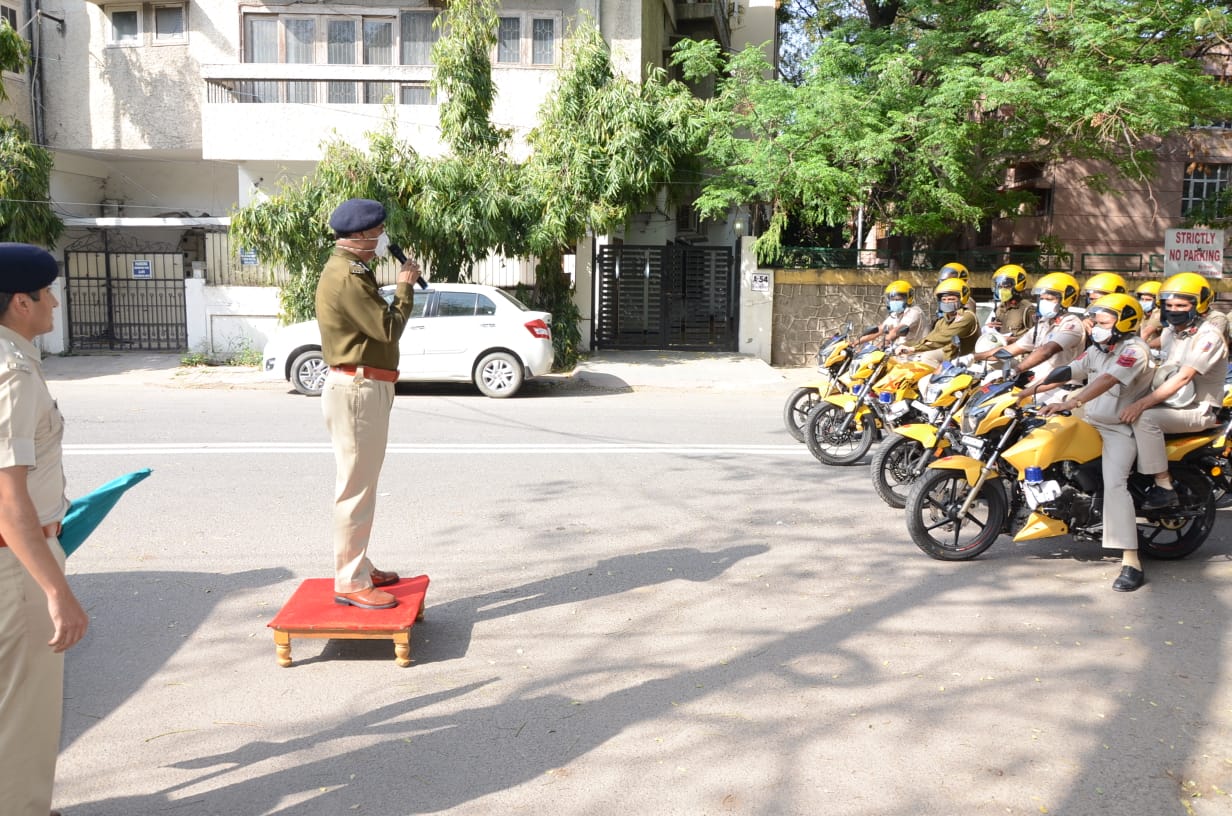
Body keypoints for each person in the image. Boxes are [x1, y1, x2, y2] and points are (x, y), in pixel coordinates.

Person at [0, 243, 89, 816]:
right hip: (17, 561)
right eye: (46, 292)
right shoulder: (12, 373)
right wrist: (59, 592)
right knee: (23, 713)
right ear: (19, 302)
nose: (54, 301)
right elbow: (8, 501)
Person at [317, 198, 422, 610]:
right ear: (360, 236)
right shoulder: (347, 277)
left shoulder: (352, 269)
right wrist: (404, 287)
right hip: (358, 390)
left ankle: (358, 563)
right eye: (377, 231)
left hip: (361, 387)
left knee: (361, 484)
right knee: (355, 491)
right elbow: (386, 328)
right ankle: (350, 580)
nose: (382, 237)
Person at [1038, 294, 1154, 591]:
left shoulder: (1134, 350)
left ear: (1123, 321)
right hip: (1090, 420)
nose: (1097, 328)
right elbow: (1071, 370)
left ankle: (1131, 561)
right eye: (1096, 322)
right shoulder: (1100, 348)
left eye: (1104, 322)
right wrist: (1032, 388)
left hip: (1119, 429)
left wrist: (1072, 400)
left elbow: (1107, 380)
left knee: (1115, 484)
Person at [1120, 273, 1228, 513]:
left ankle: (1164, 485)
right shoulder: (1170, 333)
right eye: (1168, 305)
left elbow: (1184, 376)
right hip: (1173, 404)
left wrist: (1141, 405)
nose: (1173, 310)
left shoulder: (1208, 336)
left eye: (1181, 305)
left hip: (1199, 409)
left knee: (1144, 418)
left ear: (1198, 305)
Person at [964, 272, 1085, 400]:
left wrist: (1016, 370)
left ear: (1066, 299)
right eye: (1042, 298)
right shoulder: (1043, 324)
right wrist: (972, 357)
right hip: (1034, 385)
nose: (1044, 302)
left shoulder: (1071, 324)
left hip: (1059, 389)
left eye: (1049, 299)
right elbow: (1013, 349)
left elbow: (1046, 351)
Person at [897, 278, 980, 364]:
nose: (947, 302)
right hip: (950, 357)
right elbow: (931, 338)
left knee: (928, 357)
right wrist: (912, 348)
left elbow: (943, 337)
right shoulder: (943, 321)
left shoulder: (967, 316)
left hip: (966, 360)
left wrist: (914, 349)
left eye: (951, 299)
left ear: (961, 299)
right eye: (944, 300)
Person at [857, 280, 926, 348]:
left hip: (917, 354)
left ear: (909, 298)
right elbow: (880, 330)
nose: (894, 302)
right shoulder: (896, 314)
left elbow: (895, 332)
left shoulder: (914, 312)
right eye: (892, 299)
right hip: (901, 352)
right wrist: (855, 343)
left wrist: (877, 348)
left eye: (898, 299)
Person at [986, 264, 1036, 341]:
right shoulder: (1000, 307)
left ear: (1019, 286)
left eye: (1006, 286)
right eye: (1000, 287)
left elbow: (1035, 337)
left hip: (1017, 352)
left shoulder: (1028, 309)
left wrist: (1013, 340)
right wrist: (989, 329)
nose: (1002, 290)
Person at [1135, 280, 1162, 346]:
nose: (1144, 302)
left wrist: (1137, 348)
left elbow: (1146, 333)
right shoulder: (1144, 313)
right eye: (1142, 299)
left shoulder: (1159, 313)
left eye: (1148, 300)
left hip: (1159, 352)